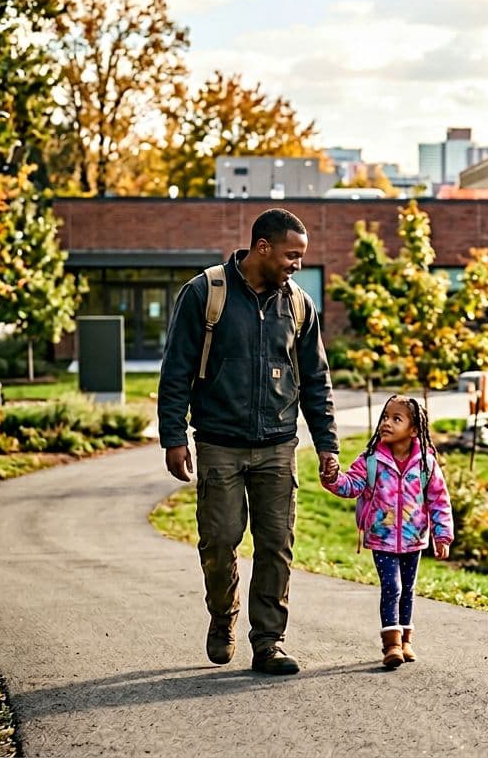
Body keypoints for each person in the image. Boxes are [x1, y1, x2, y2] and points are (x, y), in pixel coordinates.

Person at [157, 208, 340, 676]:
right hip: (219, 443)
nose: (297, 264)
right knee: (219, 543)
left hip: (278, 445)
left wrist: (327, 444)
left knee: (276, 545)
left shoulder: (298, 305)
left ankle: (268, 642)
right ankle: (223, 616)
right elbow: (176, 368)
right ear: (263, 247)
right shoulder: (206, 293)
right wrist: (174, 436)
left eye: (301, 257)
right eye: (291, 255)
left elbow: (316, 380)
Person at [323, 395, 453, 669]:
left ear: (414, 429)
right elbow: (351, 486)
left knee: (408, 588)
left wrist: (442, 535)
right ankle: (391, 643)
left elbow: (439, 499)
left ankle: (406, 640)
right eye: (385, 417)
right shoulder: (371, 459)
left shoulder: (425, 463)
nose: (387, 423)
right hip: (381, 537)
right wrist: (333, 478)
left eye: (397, 419)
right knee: (392, 587)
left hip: (414, 537)